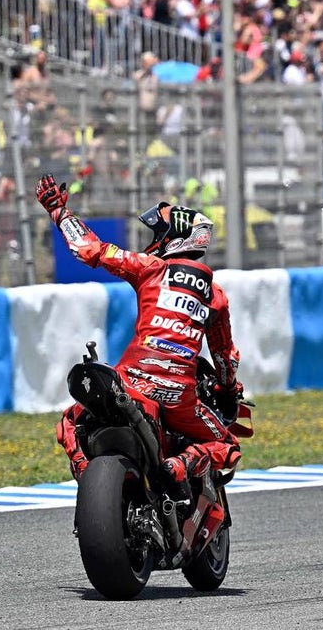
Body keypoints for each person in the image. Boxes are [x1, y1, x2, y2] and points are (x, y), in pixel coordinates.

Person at [37, 174, 242, 499]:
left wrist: (59, 213)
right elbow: (225, 358)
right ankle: (180, 464)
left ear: (174, 238)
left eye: (159, 233)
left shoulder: (150, 268)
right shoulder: (215, 295)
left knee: (69, 422)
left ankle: (90, 481)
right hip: (180, 398)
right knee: (228, 445)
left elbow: (89, 249)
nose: (154, 240)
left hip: (130, 384)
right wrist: (229, 388)